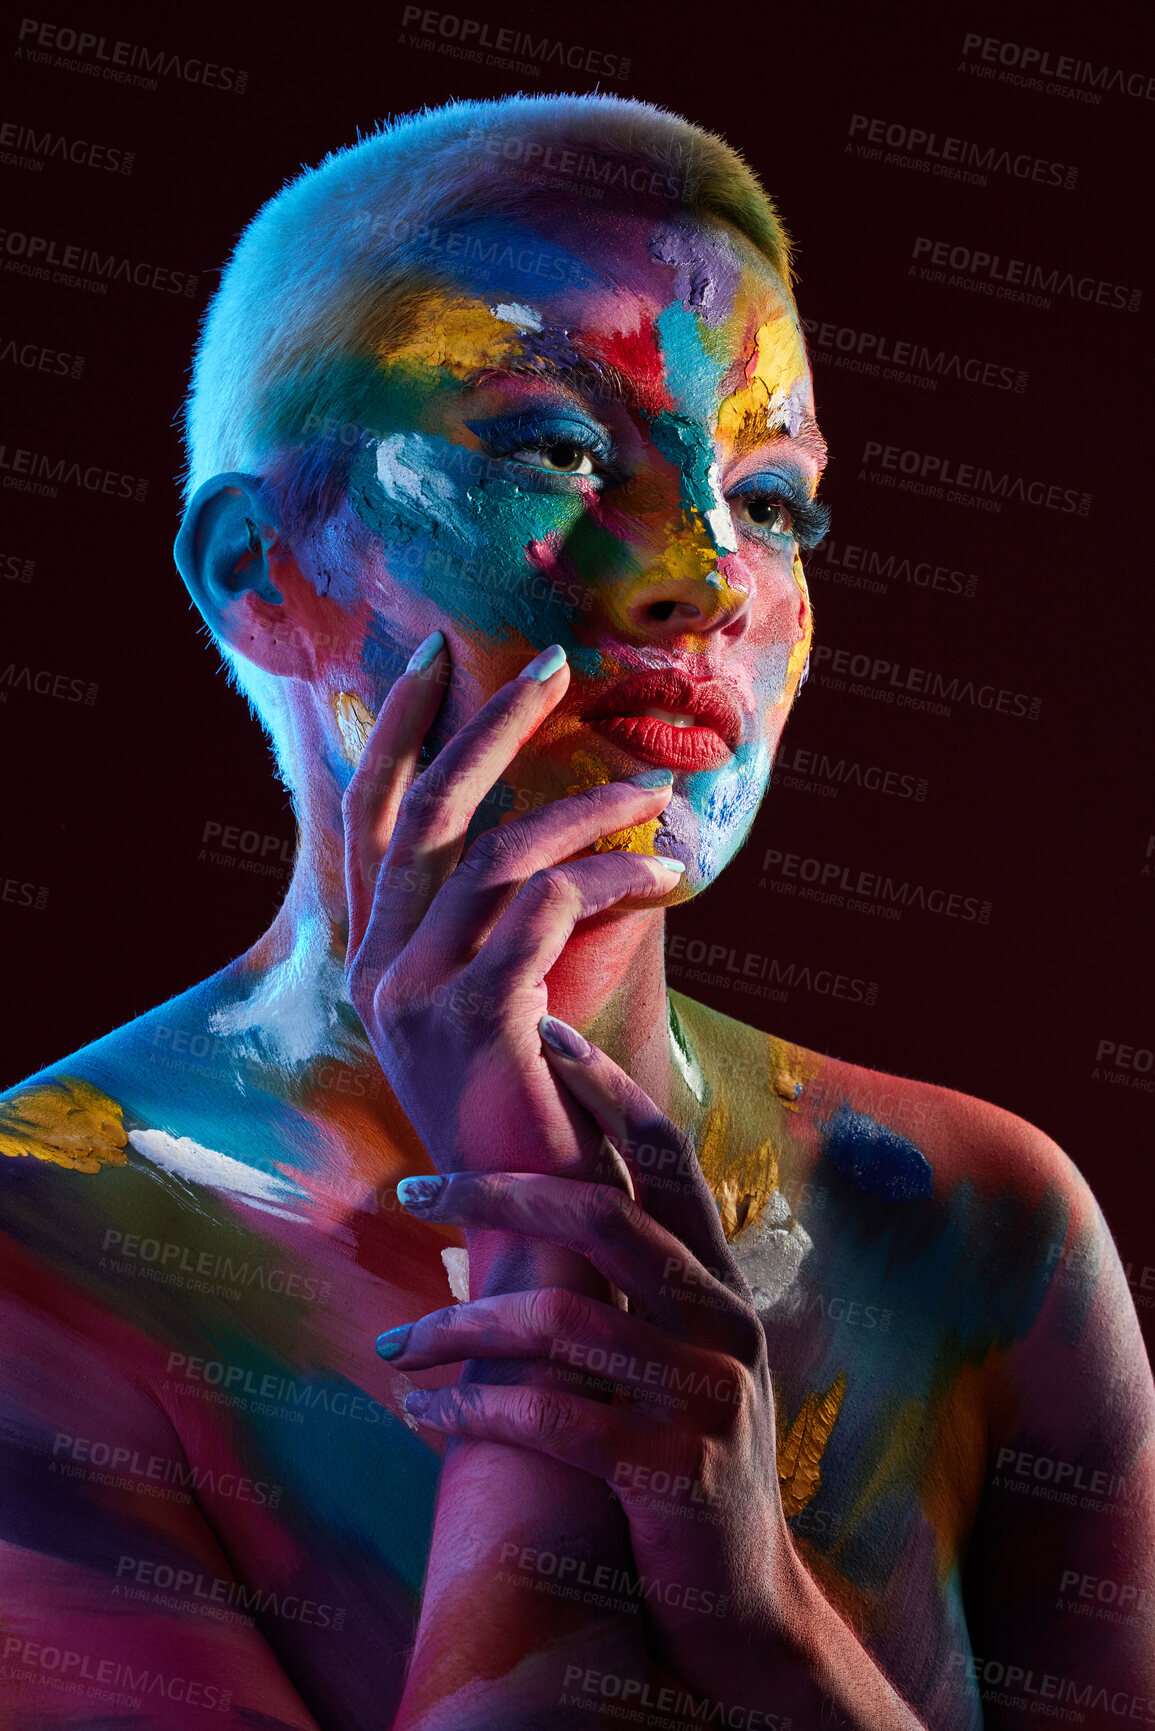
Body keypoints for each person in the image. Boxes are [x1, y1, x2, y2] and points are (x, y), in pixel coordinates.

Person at [1, 93, 1151, 1731]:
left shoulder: (973, 1224)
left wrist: (756, 1616)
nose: (707, 571)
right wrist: (536, 1211)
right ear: (264, 571)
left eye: (771, 500)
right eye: (554, 448)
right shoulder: (44, 1267)